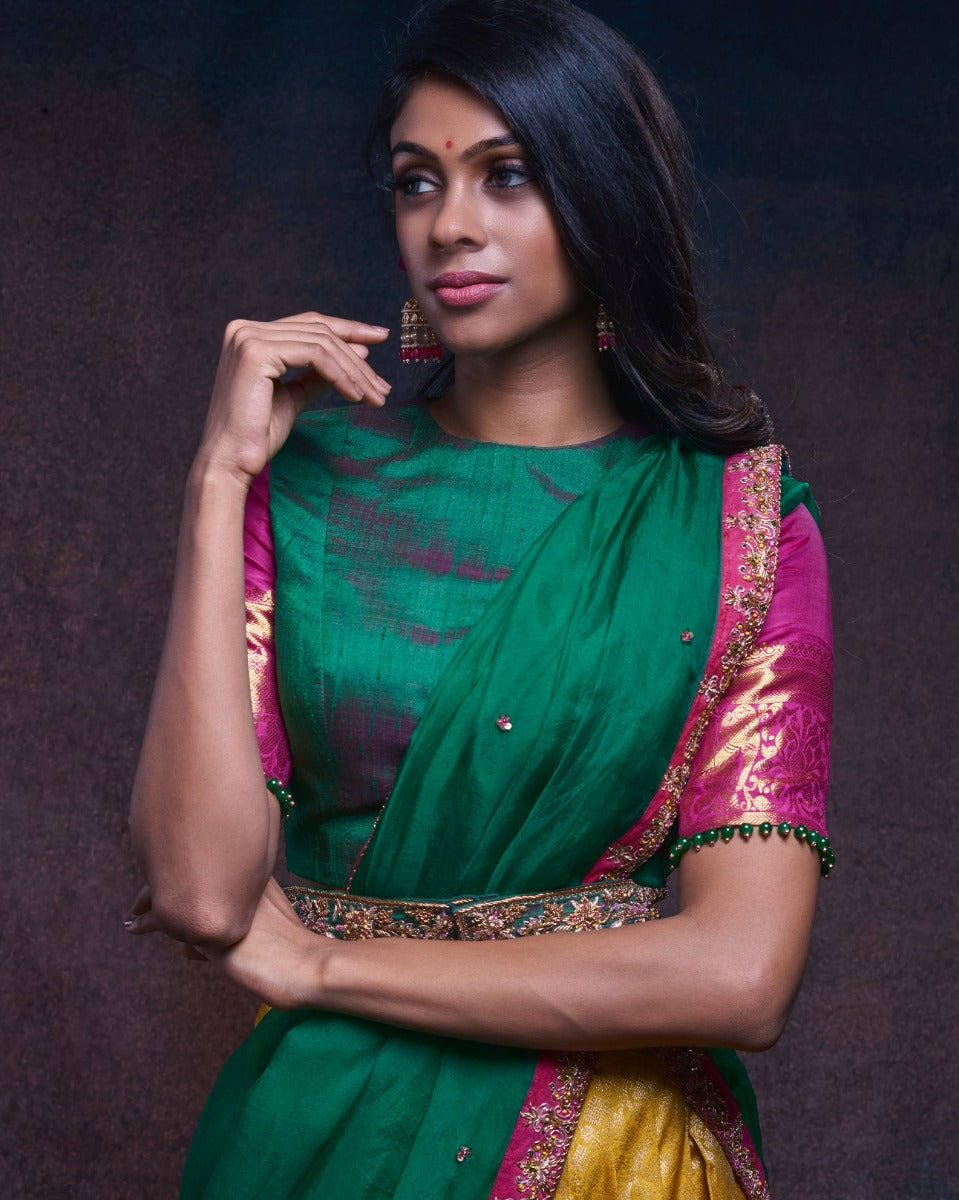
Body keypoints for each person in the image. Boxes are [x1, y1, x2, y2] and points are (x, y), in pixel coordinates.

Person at [127, 1, 834, 1196]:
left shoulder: (738, 529)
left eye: (505, 176)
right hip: (316, 1140)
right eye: (417, 181)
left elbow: (739, 976)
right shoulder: (299, 488)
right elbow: (200, 892)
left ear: (602, 197)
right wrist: (218, 476)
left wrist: (326, 969)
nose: (449, 225)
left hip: (609, 1153)